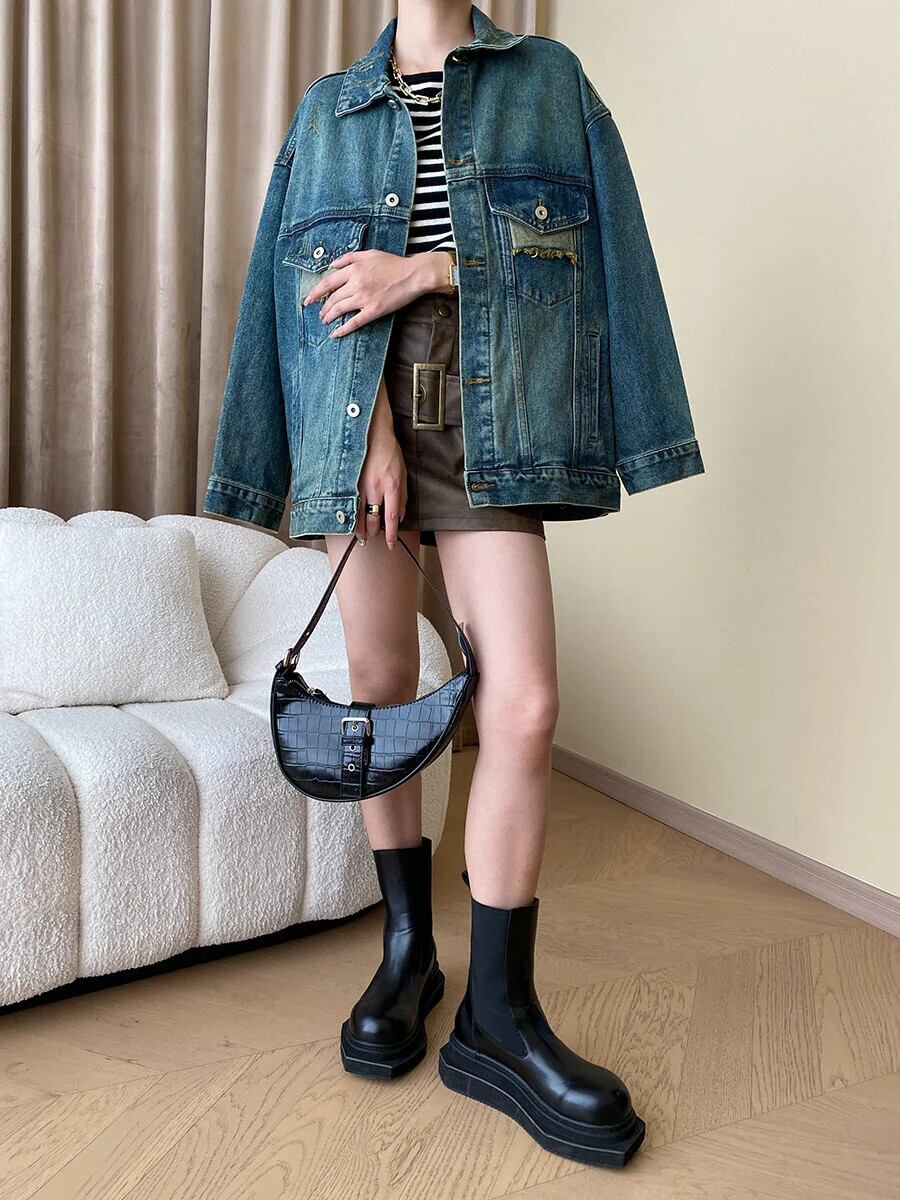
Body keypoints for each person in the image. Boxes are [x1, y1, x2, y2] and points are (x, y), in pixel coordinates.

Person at [205, 0, 705, 1169]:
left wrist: (424, 266)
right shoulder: (329, 111)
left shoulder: (547, 81)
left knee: (520, 705)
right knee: (380, 691)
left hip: (495, 430)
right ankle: (406, 955)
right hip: (362, 426)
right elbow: (301, 290)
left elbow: (596, 260)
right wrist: (368, 433)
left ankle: (498, 1014)